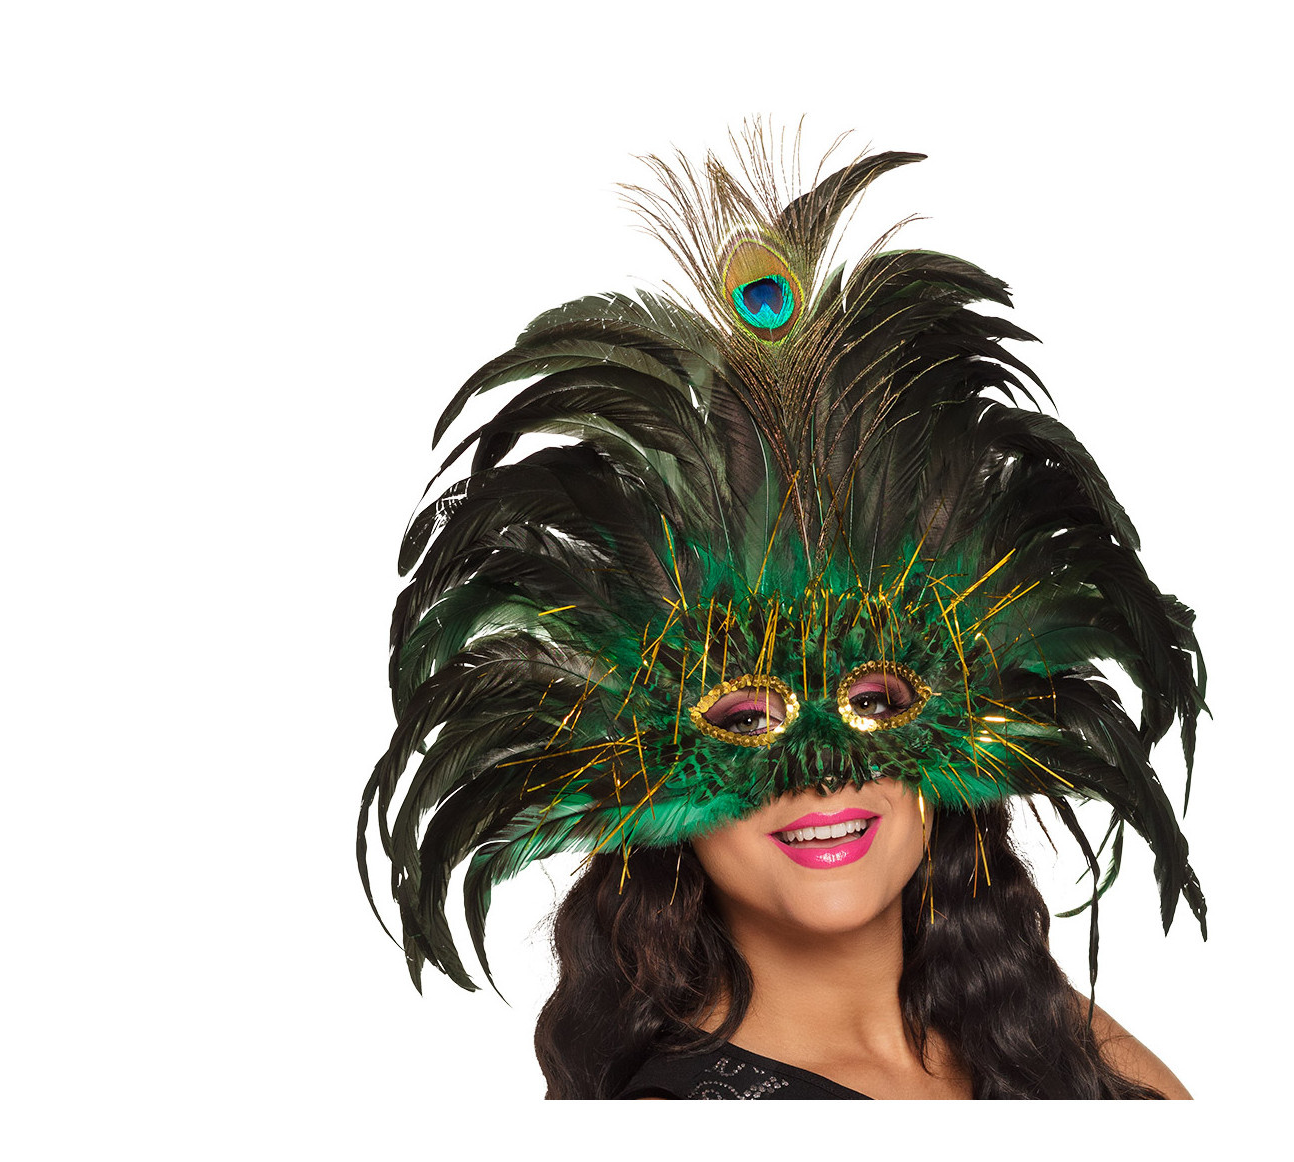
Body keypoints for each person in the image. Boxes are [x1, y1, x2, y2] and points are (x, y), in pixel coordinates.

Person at [361, 126, 1207, 1100]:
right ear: (642, 777)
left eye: (878, 700)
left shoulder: (1047, 1036)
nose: (826, 770)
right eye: (743, 717)